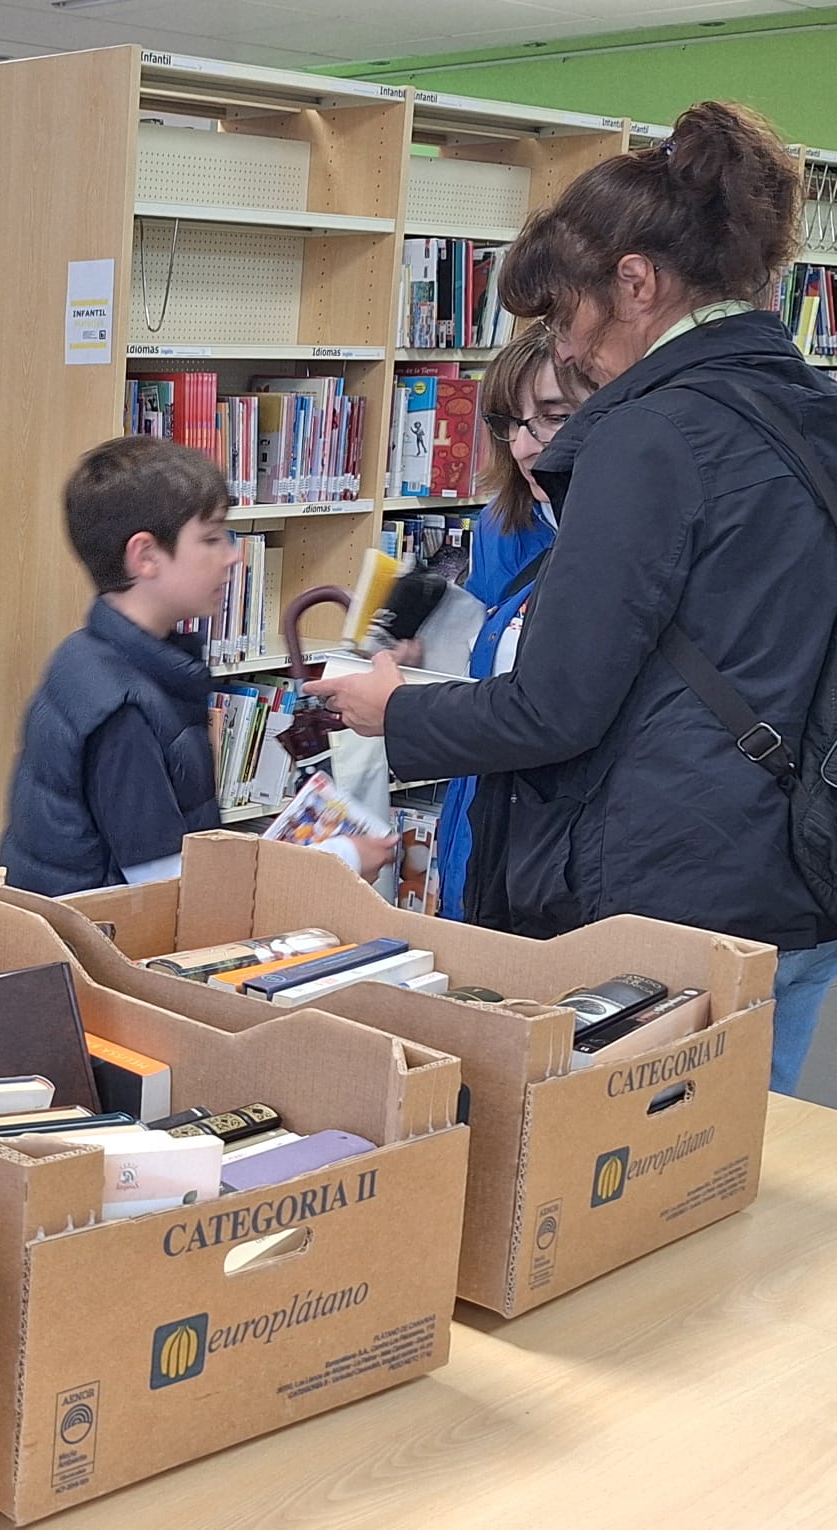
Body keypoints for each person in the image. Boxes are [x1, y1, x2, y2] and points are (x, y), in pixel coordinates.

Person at [307, 102, 837, 1094]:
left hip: (673, 903)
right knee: (739, 1175)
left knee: (637, 1190)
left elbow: (556, 705)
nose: (570, 351)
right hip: (801, 869)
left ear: (635, 283)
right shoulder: (809, 409)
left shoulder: (654, 433)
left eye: (563, 316)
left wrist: (396, 712)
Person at [0, 438, 394, 897]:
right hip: (98, 949)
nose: (231, 556)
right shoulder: (122, 708)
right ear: (144, 555)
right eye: (210, 539)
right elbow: (168, 889)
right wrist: (339, 859)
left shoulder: (91, 654)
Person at [425, 328, 596, 922]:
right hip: (482, 807)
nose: (525, 447)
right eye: (510, 422)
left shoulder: (621, 538)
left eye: (552, 417)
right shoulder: (505, 523)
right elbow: (477, 648)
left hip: (562, 839)